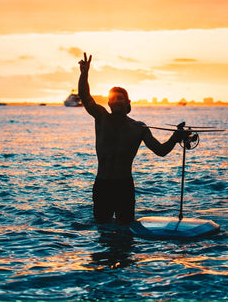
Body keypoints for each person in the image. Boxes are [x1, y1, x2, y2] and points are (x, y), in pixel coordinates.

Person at [78, 52, 189, 225]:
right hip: (102, 185)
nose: (116, 101)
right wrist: (84, 74)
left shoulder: (138, 128)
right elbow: (85, 97)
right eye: (112, 99)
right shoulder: (101, 117)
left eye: (120, 98)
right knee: (102, 231)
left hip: (124, 186)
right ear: (108, 103)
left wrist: (175, 137)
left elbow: (160, 151)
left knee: (125, 233)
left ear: (128, 101)